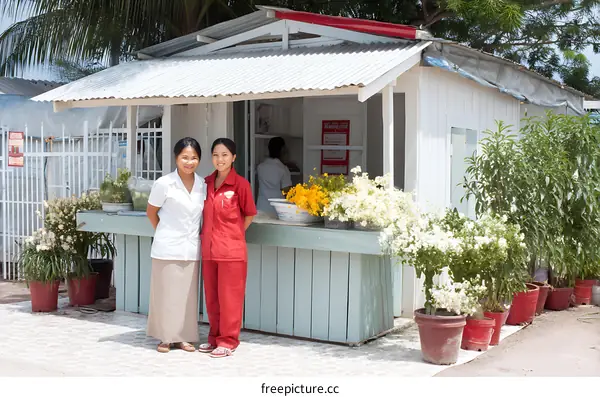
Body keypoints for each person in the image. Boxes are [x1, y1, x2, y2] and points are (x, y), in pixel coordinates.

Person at [145, 137, 206, 353]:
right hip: (167, 247)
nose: (189, 162)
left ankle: (183, 337)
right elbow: (151, 212)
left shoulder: (202, 185)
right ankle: (165, 337)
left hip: (191, 247)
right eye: (185, 157)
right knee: (167, 293)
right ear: (176, 158)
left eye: (194, 158)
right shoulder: (164, 183)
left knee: (187, 296)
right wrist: (164, 232)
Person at [198, 138, 257, 358]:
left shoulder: (241, 185)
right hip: (209, 249)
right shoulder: (204, 183)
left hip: (231, 251)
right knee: (212, 297)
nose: (219, 159)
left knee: (230, 298)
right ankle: (214, 338)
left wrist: (234, 235)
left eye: (224, 155)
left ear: (233, 157)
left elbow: (249, 214)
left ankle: (228, 341)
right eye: (215, 155)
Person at [256, 137, 293, 216]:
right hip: (278, 209)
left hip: (261, 207)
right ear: (282, 150)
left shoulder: (260, 167)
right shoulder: (283, 169)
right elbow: (288, 192)